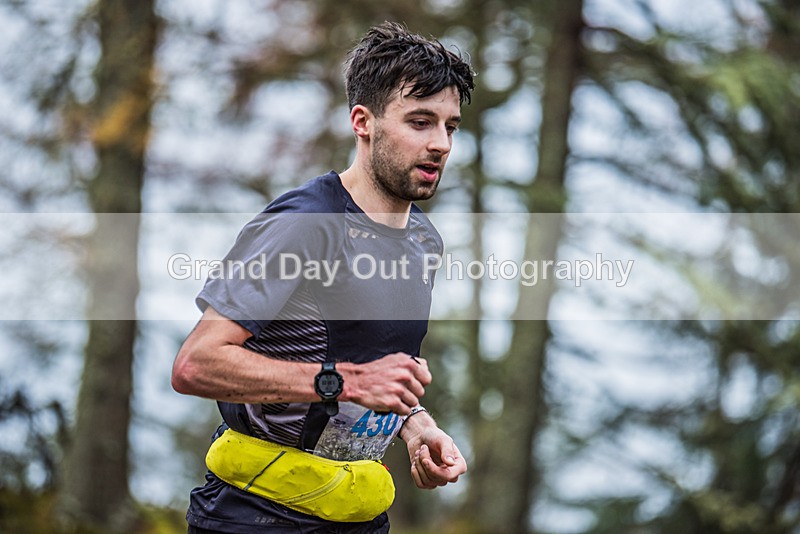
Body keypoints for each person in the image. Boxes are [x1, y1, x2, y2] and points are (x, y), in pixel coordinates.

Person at [172, 21, 474, 533]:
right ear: (363, 122)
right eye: (420, 122)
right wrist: (345, 381)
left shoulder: (424, 240)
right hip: (256, 517)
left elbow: (373, 364)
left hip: (358, 515)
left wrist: (415, 426)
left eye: (451, 126)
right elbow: (195, 365)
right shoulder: (305, 224)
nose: (441, 144)